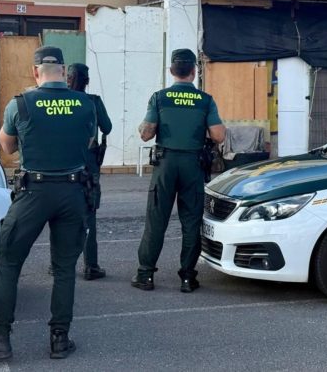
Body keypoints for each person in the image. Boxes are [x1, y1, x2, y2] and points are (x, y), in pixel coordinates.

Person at [0, 46, 97, 363]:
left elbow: (6, 146)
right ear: (64, 71)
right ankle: (59, 339)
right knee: (64, 269)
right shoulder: (85, 104)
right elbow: (88, 140)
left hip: (34, 192)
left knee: (8, 260)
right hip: (74, 192)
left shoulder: (20, 103)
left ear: (36, 72)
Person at [131, 48, 225, 293]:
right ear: (194, 71)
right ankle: (187, 278)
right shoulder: (205, 100)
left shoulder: (159, 98)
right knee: (191, 221)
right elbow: (218, 135)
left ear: (171, 71)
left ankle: (145, 275)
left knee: (156, 220)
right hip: (193, 165)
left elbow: (146, 134)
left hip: (165, 164)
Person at [67, 63, 112, 280]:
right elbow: (107, 127)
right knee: (89, 214)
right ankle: (91, 266)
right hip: (88, 165)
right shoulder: (93, 101)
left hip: (63, 164)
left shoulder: (59, 100)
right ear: (87, 81)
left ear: (67, 79)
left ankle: (59, 264)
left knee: (60, 215)